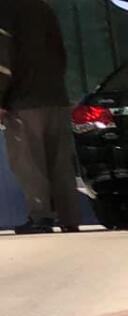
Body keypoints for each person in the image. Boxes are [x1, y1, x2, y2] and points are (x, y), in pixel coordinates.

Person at [0, 0, 84, 233]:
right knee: (60, 163)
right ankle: (69, 217)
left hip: (24, 102)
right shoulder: (44, 8)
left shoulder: (5, 10)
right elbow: (61, 53)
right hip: (55, 97)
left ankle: (41, 217)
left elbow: (3, 60)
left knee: (29, 163)